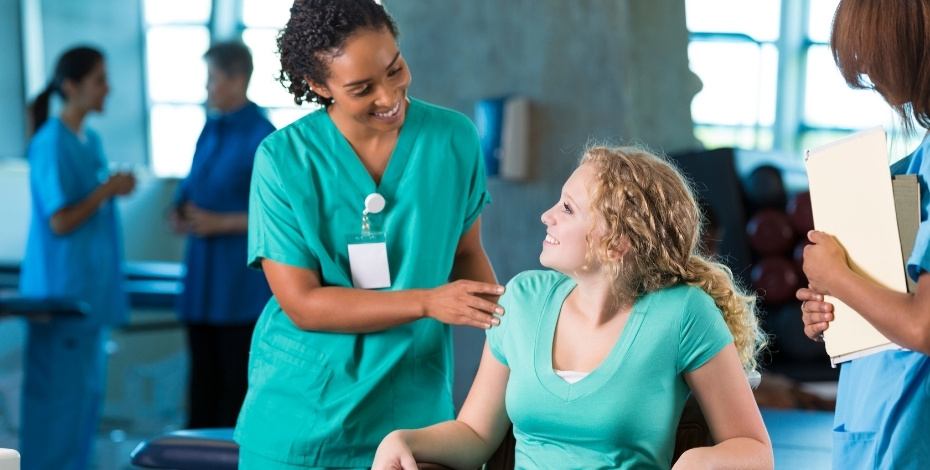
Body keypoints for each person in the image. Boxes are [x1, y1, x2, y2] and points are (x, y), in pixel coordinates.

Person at [373, 146, 774, 470]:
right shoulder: (522, 299)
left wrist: (697, 463)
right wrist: (402, 439)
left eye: (567, 208)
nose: (546, 216)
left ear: (617, 243)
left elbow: (754, 450)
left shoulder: (683, 313)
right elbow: (475, 435)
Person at [233, 0, 503, 467]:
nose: (388, 96)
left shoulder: (453, 139)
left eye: (395, 68)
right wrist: (426, 302)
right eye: (361, 88)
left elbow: (466, 254)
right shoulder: (283, 160)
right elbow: (302, 303)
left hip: (413, 414)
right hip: (302, 414)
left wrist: (510, 333)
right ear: (320, 86)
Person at [798, 1, 930, 468]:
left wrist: (836, 276)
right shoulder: (914, 164)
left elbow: (923, 325)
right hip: (877, 414)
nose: (872, 76)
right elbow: (896, 296)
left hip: (910, 426)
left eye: (873, 61)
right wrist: (835, 308)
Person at [18, 46, 135, 470]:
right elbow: (61, 221)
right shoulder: (50, 142)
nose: (108, 88)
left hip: (91, 292)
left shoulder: (92, 140)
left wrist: (109, 189)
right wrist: (106, 190)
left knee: (84, 404)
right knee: (58, 408)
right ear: (72, 86)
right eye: (99, 79)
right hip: (61, 294)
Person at [170, 40, 275, 429]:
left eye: (212, 79)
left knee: (235, 386)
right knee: (201, 385)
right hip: (202, 281)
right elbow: (192, 186)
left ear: (237, 80)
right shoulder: (210, 129)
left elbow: (277, 213)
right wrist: (179, 212)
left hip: (238, 286)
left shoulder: (263, 136)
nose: (207, 88)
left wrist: (220, 223)